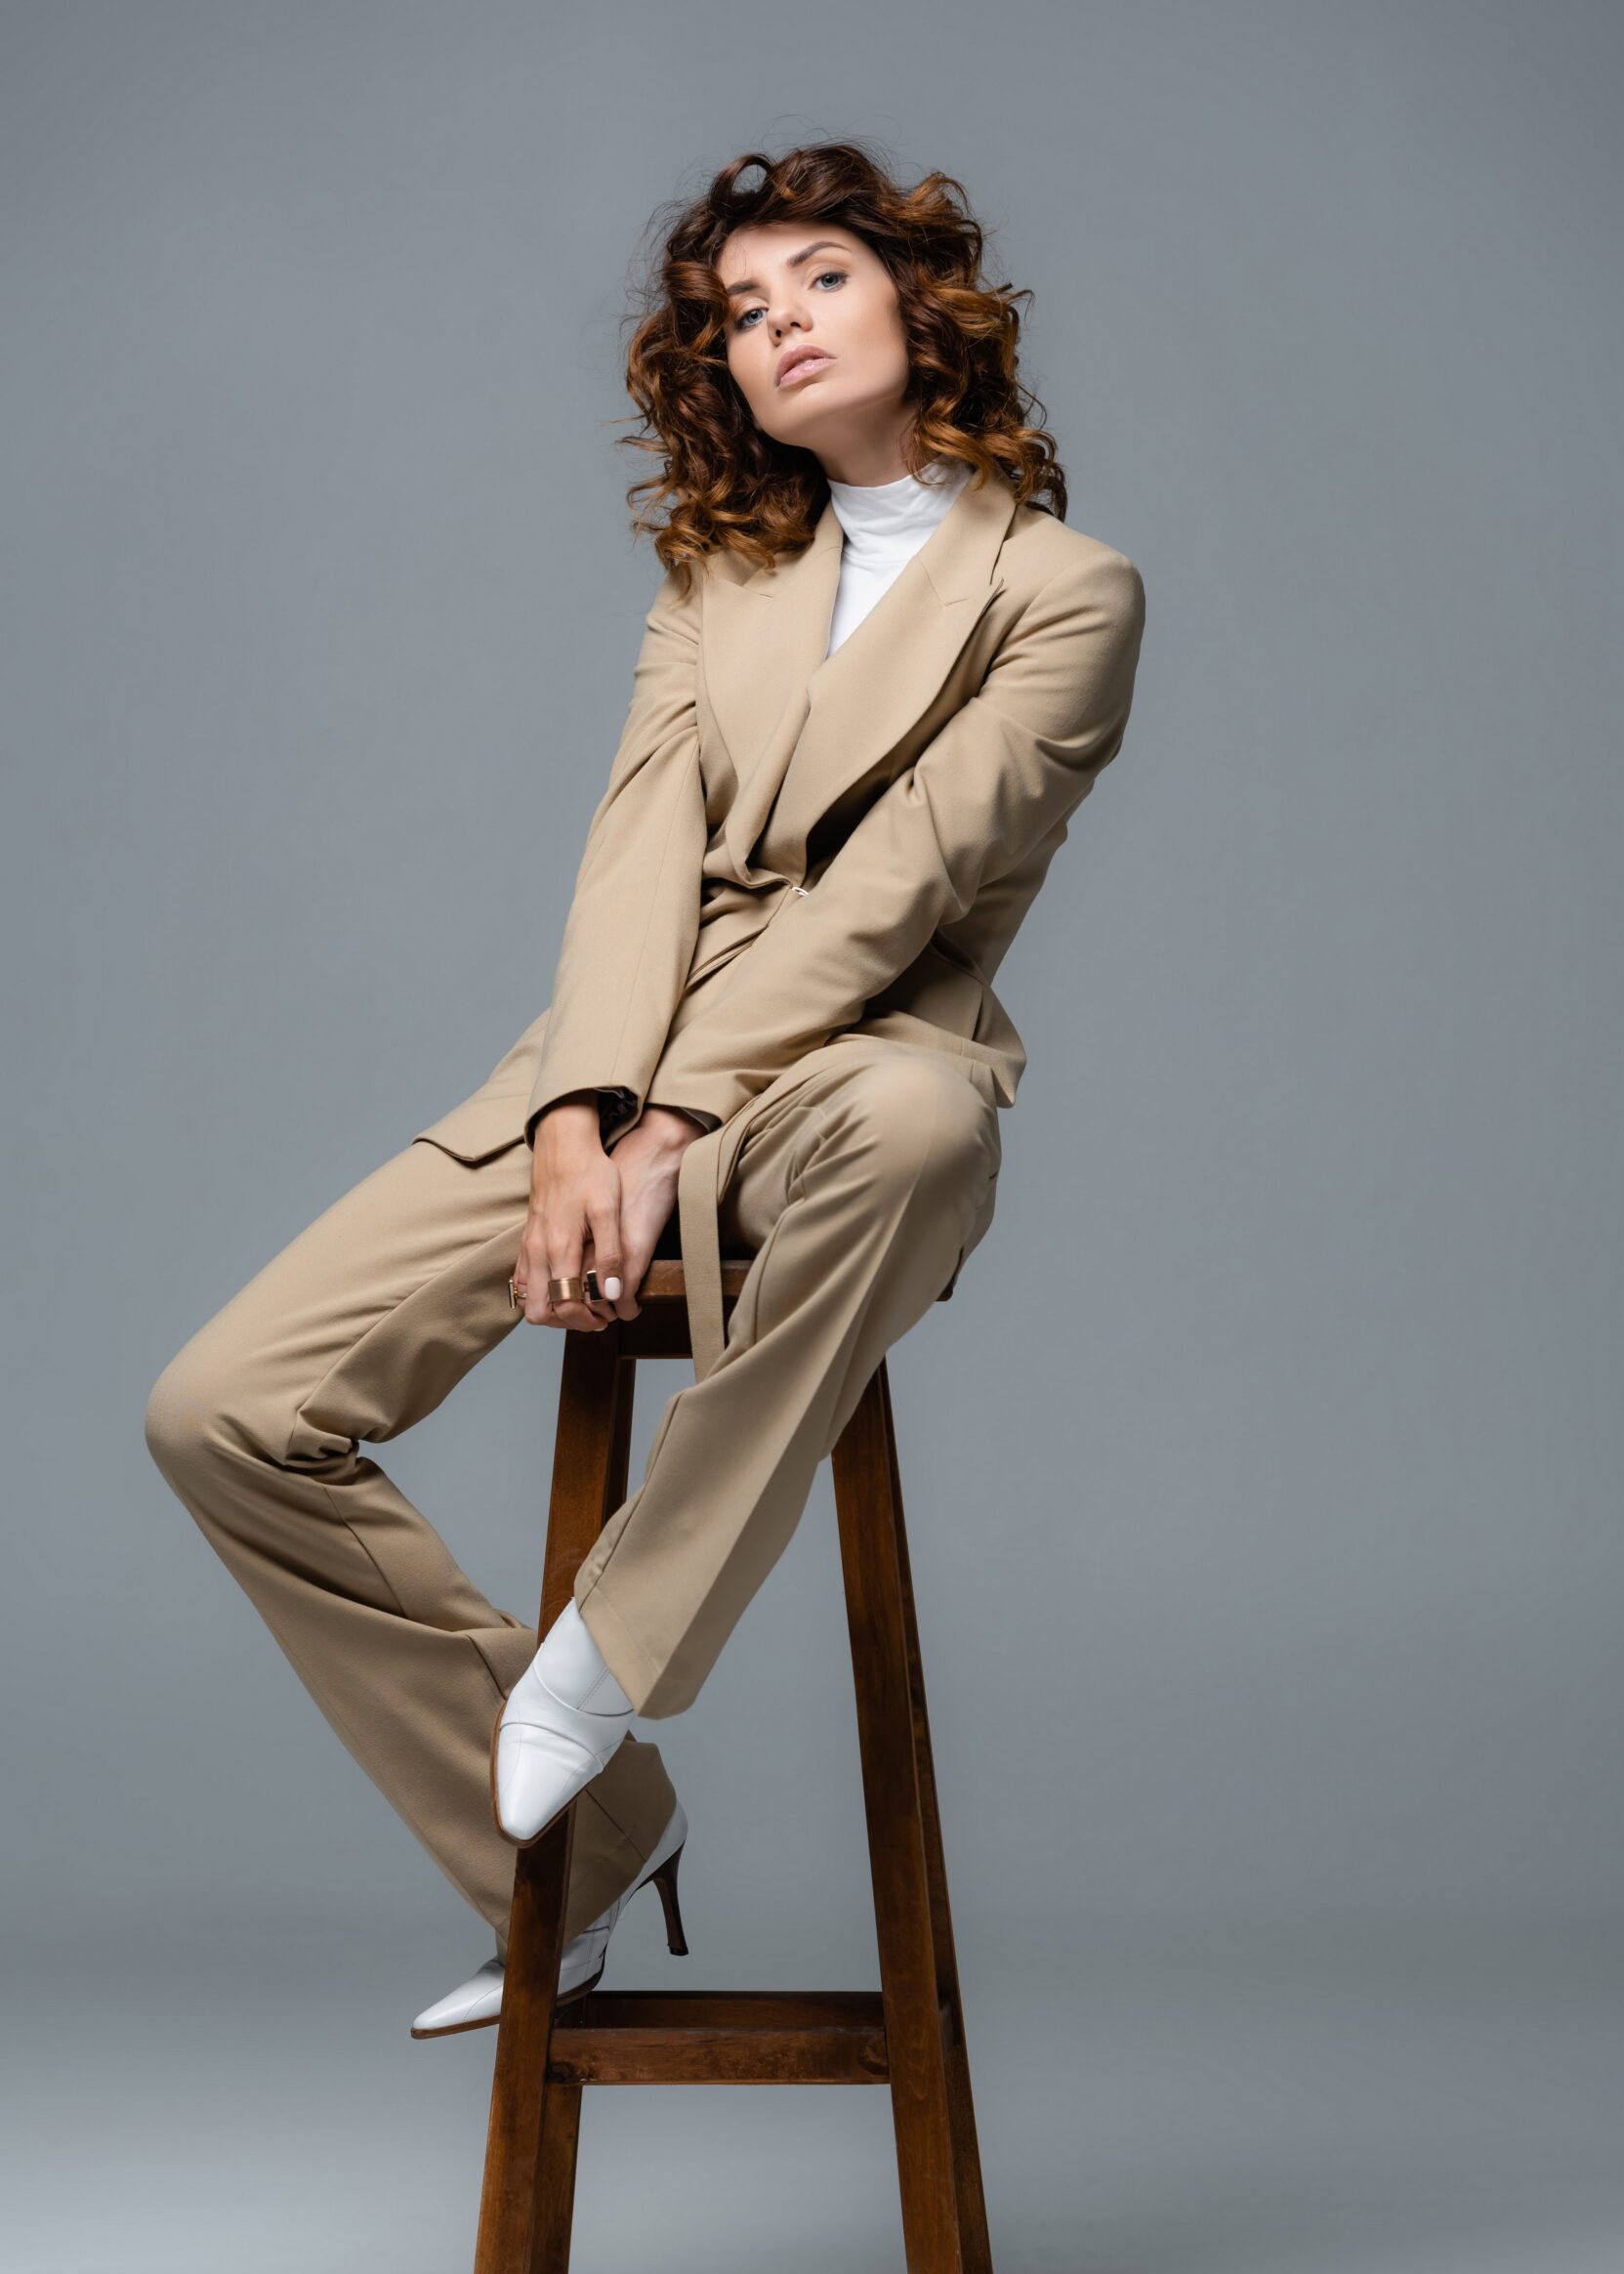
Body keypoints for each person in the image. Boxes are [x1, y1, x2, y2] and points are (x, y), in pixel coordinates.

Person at [144, 140, 1146, 2039]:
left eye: (817, 283)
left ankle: (616, 1638)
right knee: (222, 1409)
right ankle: (594, 1846)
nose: (778, 328)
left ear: (923, 299)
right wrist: (570, 1123)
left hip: (849, 1073)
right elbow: (638, 855)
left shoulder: (1068, 597)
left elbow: (897, 895)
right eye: (741, 313)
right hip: (608, 1063)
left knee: (934, 1134)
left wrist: (673, 1124)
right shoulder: (727, 571)